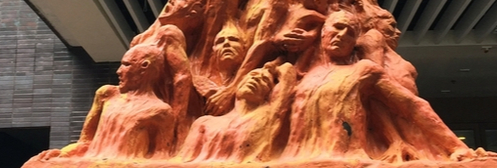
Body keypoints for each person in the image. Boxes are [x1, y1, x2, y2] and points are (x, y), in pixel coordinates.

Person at [283, 11, 481, 161]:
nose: (342, 35)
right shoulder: (302, 74)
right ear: (323, 32)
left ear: (355, 43)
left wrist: (457, 147)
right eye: (338, 27)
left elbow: (413, 107)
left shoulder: (363, 70)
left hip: (347, 161)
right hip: (297, 159)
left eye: (350, 33)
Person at [34, 38, 182, 161]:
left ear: (144, 66)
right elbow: (86, 142)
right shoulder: (106, 94)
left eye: (126, 65)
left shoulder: (161, 112)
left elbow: (161, 158)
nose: (119, 71)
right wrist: (63, 153)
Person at [180, 62, 296, 163]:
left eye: (265, 80)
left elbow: (288, 75)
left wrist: (276, 64)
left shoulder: (268, 118)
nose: (256, 78)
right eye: (252, 75)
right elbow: (183, 161)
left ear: (268, 94)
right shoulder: (204, 123)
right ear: (237, 85)